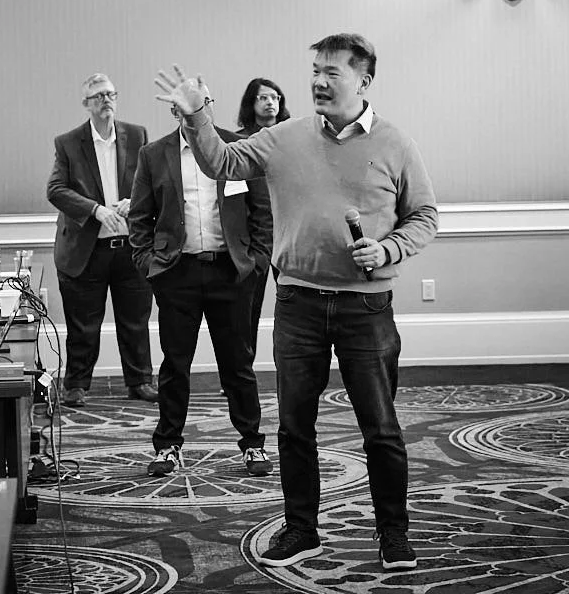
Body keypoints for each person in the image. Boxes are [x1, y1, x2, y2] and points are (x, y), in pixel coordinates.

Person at [153, 34, 438, 571]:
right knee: (293, 425)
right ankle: (301, 529)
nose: (318, 81)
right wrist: (197, 114)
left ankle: (393, 533)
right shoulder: (283, 136)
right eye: (314, 70)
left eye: (332, 72)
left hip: (366, 307)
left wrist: (387, 248)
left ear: (364, 81)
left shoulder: (397, 144)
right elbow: (222, 163)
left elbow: (424, 217)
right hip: (298, 304)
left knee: (380, 426)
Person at [128, 101, 273, 478]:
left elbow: (263, 213)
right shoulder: (153, 154)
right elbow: (140, 219)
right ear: (175, 112)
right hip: (177, 273)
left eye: (202, 103)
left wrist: (256, 262)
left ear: (209, 107)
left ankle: (252, 444)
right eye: (187, 106)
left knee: (238, 364)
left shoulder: (238, 148)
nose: (195, 111)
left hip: (232, 273)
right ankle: (168, 446)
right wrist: (151, 266)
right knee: (175, 364)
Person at [46, 73, 156, 407]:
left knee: (135, 320)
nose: (106, 100)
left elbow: (148, 181)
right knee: (84, 324)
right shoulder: (68, 143)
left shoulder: (137, 135)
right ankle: (77, 385)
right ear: (86, 105)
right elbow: (55, 190)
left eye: (110, 94)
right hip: (86, 249)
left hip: (129, 246)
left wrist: (132, 201)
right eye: (98, 96)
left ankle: (140, 381)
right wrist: (95, 210)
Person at [236, 78, 290, 370]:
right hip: (253, 237)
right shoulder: (240, 141)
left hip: (288, 232)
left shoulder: (292, 137)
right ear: (251, 104)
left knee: (293, 305)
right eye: (263, 98)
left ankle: (293, 365)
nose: (270, 103)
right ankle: (242, 368)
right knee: (247, 309)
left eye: (275, 97)